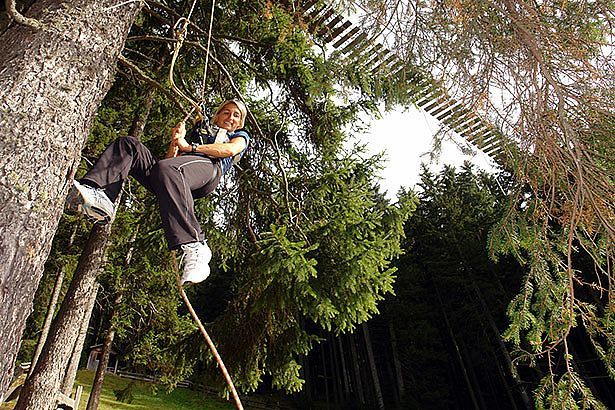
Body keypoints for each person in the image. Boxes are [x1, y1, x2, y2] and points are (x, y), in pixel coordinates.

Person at [66, 99, 250, 285]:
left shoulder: (239, 135)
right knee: (129, 145)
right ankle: (100, 195)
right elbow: (169, 161)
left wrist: (190, 147)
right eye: (226, 112)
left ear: (240, 123)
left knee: (169, 170)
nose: (230, 117)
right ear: (217, 115)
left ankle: (196, 245)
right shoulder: (200, 131)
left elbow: (230, 149)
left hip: (208, 170)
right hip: (174, 174)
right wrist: (176, 142)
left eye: (236, 115)